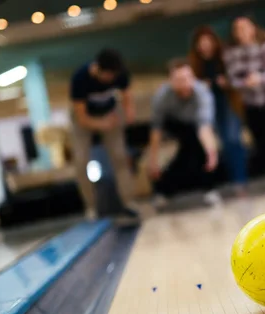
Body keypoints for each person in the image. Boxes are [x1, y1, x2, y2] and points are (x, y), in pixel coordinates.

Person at [70, 48, 138, 220]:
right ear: (97, 69)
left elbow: (126, 93)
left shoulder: (120, 74)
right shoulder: (80, 78)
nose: (111, 80)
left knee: (120, 157)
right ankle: (91, 207)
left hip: (110, 113)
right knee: (80, 161)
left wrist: (128, 111)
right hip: (83, 120)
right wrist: (101, 124)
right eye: (108, 76)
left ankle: (129, 202)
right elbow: (82, 117)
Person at [147, 60, 220, 206]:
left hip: (195, 126)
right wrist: (153, 160)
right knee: (189, 147)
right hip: (173, 123)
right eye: (179, 80)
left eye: (188, 78)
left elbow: (204, 127)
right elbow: (156, 129)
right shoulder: (162, 97)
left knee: (197, 149)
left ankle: (206, 188)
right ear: (171, 82)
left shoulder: (203, 93)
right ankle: (165, 190)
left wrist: (211, 152)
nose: (185, 84)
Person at [224, 16, 265, 189]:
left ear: (253, 29)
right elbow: (232, 78)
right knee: (257, 135)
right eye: (238, 28)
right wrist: (246, 82)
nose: (242, 31)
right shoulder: (231, 52)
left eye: (245, 27)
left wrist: (259, 78)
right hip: (249, 100)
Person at [190, 26, 248, 197]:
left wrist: (227, 82)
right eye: (202, 43)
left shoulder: (226, 57)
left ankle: (240, 180)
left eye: (208, 42)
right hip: (209, 107)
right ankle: (232, 180)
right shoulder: (195, 65)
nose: (205, 46)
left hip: (228, 103)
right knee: (220, 143)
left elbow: (239, 77)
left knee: (233, 139)